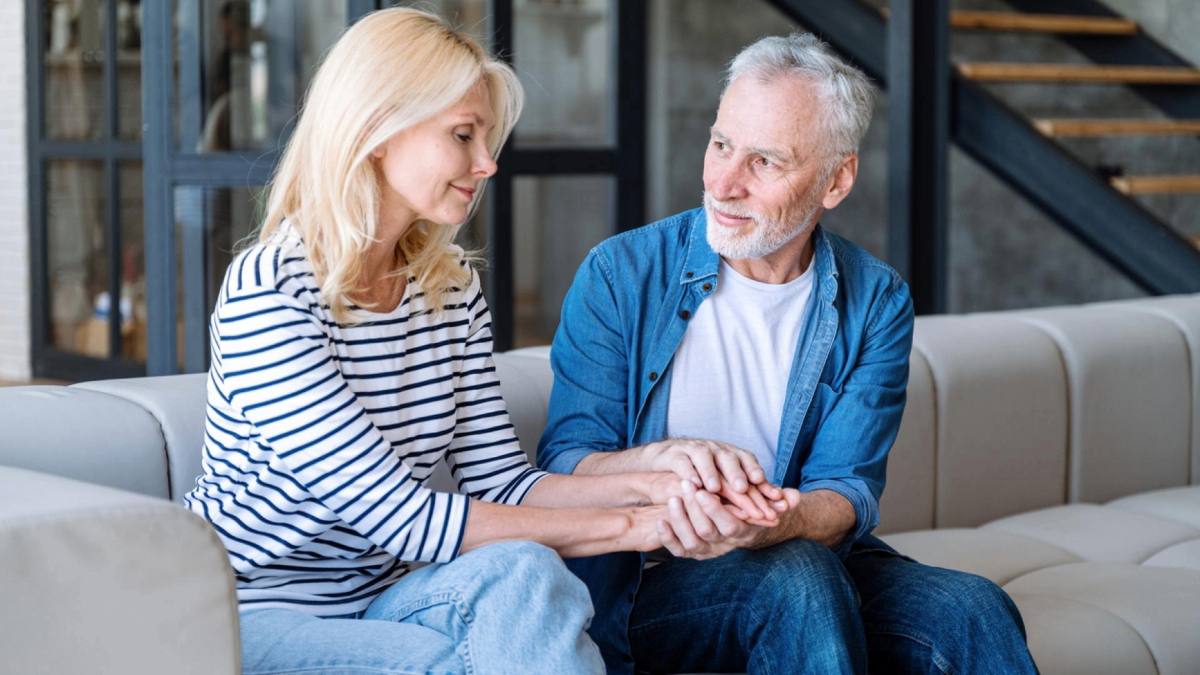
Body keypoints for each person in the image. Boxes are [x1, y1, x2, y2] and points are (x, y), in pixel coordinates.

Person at [183, 9, 792, 675]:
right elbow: (403, 519)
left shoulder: (448, 290)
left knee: (526, 571)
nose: (487, 163)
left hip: (384, 599)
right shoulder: (271, 291)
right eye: (463, 135)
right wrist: (639, 526)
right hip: (251, 616)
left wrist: (668, 490)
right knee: (450, 661)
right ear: (377, 130)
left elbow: (504, 481)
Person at [538, 33, 1040, 675]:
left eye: (764, 162)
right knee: (795, 578)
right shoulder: (620, 273)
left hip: (804, 560)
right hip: (644, 585)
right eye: (720, 144)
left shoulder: (876, 299)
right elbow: (566, 463)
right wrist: (663, 470)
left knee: (972, 608)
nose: (722, 182)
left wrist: (767, 525)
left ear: (837, 179)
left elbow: (846, 491)